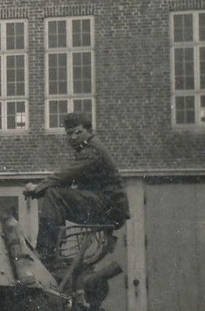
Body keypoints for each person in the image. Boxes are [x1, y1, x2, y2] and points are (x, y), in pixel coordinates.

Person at [23, 112, 130, 265]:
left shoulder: (92, 151)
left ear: (89, 130)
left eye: (78, 132)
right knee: (55, 194)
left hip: (109, 207)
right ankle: (49, 251)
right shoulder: (88, 148)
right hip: (106, 205)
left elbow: (67, 174)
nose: (73, 137)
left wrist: (38, 187)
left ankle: (45, 252)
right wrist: (41, 190)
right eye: (69, 133)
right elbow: (68, 180)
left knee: (55, 196)